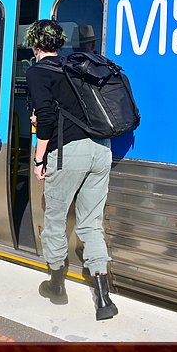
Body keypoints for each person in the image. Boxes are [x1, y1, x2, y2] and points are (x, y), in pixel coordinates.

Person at [25, 19, 118, 320]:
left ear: (35, 44)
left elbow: (47, 119)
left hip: (69, 153)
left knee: (55, 217)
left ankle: (56, 286)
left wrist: (39, 160)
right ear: (60, 43)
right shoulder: (75, 68)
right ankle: (104, 299)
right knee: (91, 222)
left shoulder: (38, 71)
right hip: (101, 149)